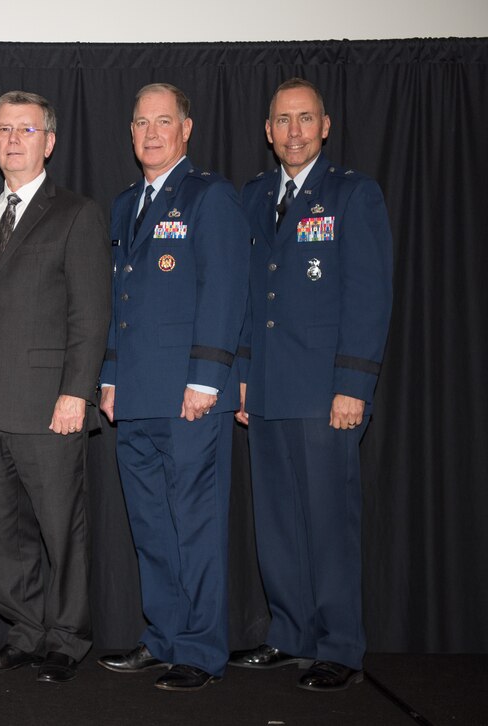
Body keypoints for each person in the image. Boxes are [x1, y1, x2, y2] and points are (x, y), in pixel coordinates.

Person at [229, 78, 393, 692]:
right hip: (267, 389)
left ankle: (340, 646)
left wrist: (353, 383)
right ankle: (290, 634)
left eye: (305, 119)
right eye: (282, 121)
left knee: (328, 523)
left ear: (325, 126)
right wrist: (241, 377)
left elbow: (369, 297)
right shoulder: (251, 197)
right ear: (268, 132)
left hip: (326, 392)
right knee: (275, 523)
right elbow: (246, 297)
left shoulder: (352, 195)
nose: (294, 131)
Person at [0, 90, 110, 684]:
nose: (14, 139)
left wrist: (77, 391)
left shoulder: (77, 213)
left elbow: (91, 314)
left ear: (50, 141)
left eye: (27, 129)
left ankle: (67, 638)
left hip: (50, 403)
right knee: (0, 530)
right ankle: (24, 630)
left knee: (61, 526)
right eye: (4, 130)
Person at [97, 83, 249, 691]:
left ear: (186, 128)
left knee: (195, 526)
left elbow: (225, 289)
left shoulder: (210, 197)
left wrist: (208, 379)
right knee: (152, 526)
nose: (152, 133)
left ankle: (201, 649)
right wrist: (108, 377)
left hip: (190, 396)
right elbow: (119, 301)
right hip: (133, 396)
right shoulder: (125, 203)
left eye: (164, 121)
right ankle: (162, 636)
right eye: (141, 123)